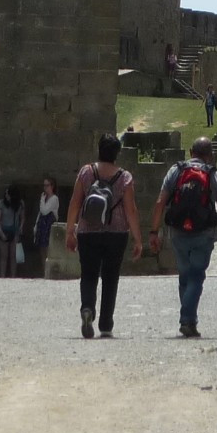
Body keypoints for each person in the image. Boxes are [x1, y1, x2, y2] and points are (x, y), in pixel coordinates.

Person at [149, 137, 217, 338]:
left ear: (191, 152)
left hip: (178, 231)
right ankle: (187, 319)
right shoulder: (212, 174)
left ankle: (189, 318)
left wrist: (154, 231)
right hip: (204, 233)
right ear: (210, 155)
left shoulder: (176, 170)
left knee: (184, 274)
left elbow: (160, 201)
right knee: (197, 275)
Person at [67, 133, 142, 338]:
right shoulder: (124, 177)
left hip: (88, 230)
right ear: (117, 153)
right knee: (111, 277)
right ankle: (106, 323)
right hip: (116, 233)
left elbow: (75, 202)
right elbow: (131, 210)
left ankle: (87, 308)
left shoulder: (86, 172)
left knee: (89, 274)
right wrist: (137, 238)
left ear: (99, 149)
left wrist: (69, 232)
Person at [0, 185, 25, 278]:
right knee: (4, 256)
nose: (6, 195)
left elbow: (23, 217)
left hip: (15, 232)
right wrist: (1, 233)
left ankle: (13, 276)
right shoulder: (1, 203)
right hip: (4, 231)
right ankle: (2, 276)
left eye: (8, 193)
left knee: (13, 256)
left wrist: (21, 227)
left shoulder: (20, 204)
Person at [33, 175, 61, 274]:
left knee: (48, 251)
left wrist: (41, 199)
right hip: (42, 226)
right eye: (44, 185)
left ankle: (48, 273)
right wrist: (36, 226)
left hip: (49, 227)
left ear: (52, 186)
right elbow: (40, 214)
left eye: (47, 185)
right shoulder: (44, 198)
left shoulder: (54, 198)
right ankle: (43, 271)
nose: (45, 188)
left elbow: (44, 211)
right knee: (42, 251)